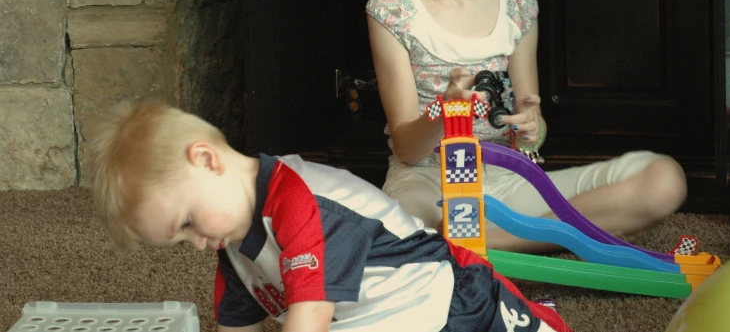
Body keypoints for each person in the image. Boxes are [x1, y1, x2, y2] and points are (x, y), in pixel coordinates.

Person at [366, 0, 688, 254]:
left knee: (664, 179)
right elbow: (408, 151)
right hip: (428, 185)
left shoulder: (517, 5)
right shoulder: (390, 8)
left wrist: (533, 128)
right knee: (411, 228)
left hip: (506, 182)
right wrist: (445, 114)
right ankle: (526, 239)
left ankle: (484, 243)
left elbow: (529, 135)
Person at [86, 101, 572, 332]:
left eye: (188, 222)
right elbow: (236, 327)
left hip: (445, 306)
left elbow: (310, 320)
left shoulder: (299, 200)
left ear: (207, 160)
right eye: (180, 240)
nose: (194, 244)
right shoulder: (231, 245)